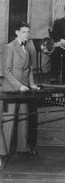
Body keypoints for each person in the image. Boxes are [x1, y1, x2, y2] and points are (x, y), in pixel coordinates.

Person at [0, 22, 40, 171]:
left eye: (28, 32)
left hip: (24, 89)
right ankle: (3, 154)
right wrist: (19, 86)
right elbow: (7, 71)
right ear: (17, 32)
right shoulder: (10, 47)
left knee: (24, 118)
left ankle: (22, 148)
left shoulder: (28, 47)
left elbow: (29, 69)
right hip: (11, 89)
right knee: (9, 121)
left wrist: (32, 85)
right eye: (23, 32)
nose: (26, 34)